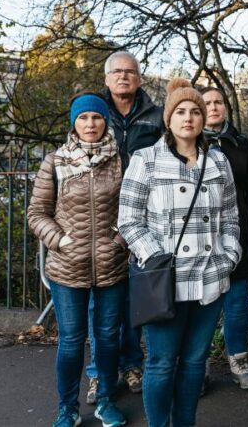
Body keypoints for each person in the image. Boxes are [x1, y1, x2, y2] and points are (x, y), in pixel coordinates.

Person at [118, 78, 241, 427]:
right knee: (160, 362)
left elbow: (231, 216)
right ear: (168, 119)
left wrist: (228, 254)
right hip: (165, 281)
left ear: (203, 119)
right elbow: (128, 219)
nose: (188, 117)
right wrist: (155, 258)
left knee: (193, 363)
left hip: (209, 278)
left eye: (195, 112)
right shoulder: (146, 159)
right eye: (181, 111)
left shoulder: (218, 162)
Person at [28, 92, 128, 427]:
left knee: (108, 338)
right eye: (83, 118)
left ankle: (105, 401)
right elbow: (37, 214)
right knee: (71, 342)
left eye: (96, 117)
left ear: (105, 121)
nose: (90, 124)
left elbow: (134, 210)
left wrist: (120, 241)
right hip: (67, 269)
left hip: (112, 266)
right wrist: (63, 240)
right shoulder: (55, 161)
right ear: (74, 122)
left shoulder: (120, 160)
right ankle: (67, 407)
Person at [86, 50, 164, 404]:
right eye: (116, 72)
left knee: (134, 296)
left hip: (141, 219)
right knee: (98, 301)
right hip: (99, 219)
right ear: (106, 78)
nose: (123, 77)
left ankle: (133, 363)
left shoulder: (156, 116)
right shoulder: (92, 113)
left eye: (130, 72)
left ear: (140, 78)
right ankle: (97, 373)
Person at [200, 86, 248, 390]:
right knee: (203, 306)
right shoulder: (187, 143)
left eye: (218, 102)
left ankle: (238, 361)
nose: (213, 107)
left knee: (236, 306)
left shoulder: (240, 144)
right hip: (199, 237)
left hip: (237, 234)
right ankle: (200, 365)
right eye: (207, 103)